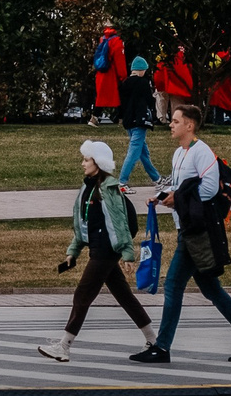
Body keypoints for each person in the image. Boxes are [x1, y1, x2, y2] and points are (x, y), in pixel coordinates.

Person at [141, 104, 231, 364]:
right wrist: (161, 198)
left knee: (173, 285)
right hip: (185, 226)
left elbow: (208, 190)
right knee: (211, 289)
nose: (170, 125)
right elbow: (177, 187)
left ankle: (162, 348)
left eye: (175, 121)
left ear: (190, 125)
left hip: (197, 231)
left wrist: (178, 199)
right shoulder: (178, 154)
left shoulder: (202, 152)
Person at [38, 139, 154, 361]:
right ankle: (153, 340)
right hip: (98, 249)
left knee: (83, 294)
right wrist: (74, 250)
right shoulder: (89, 188)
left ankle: (64, 346)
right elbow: (84, 223)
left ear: (98, 162)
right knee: (124, 296)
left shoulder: (109, 189)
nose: (82, 163)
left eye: (86, 159)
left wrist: (127, 254)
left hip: (106, 252)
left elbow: (120, 224)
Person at [117, 56, 164, 187]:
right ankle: (122, 181)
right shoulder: (143, 83)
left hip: (128, 121)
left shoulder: (125, 83)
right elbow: (149, 100)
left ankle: (157, 179)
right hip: (139, 120)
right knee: (134, 152)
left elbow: (121, 104)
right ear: (141, 70)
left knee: (143, 152)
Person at [91, 22, 127, 125]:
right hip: (112, 73)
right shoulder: (117, 41)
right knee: (119, 97)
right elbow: (119, 60)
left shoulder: (103, 39)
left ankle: (94, 117)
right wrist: (123, 76)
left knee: (101, 97)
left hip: (102, 72)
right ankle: (121, 119)